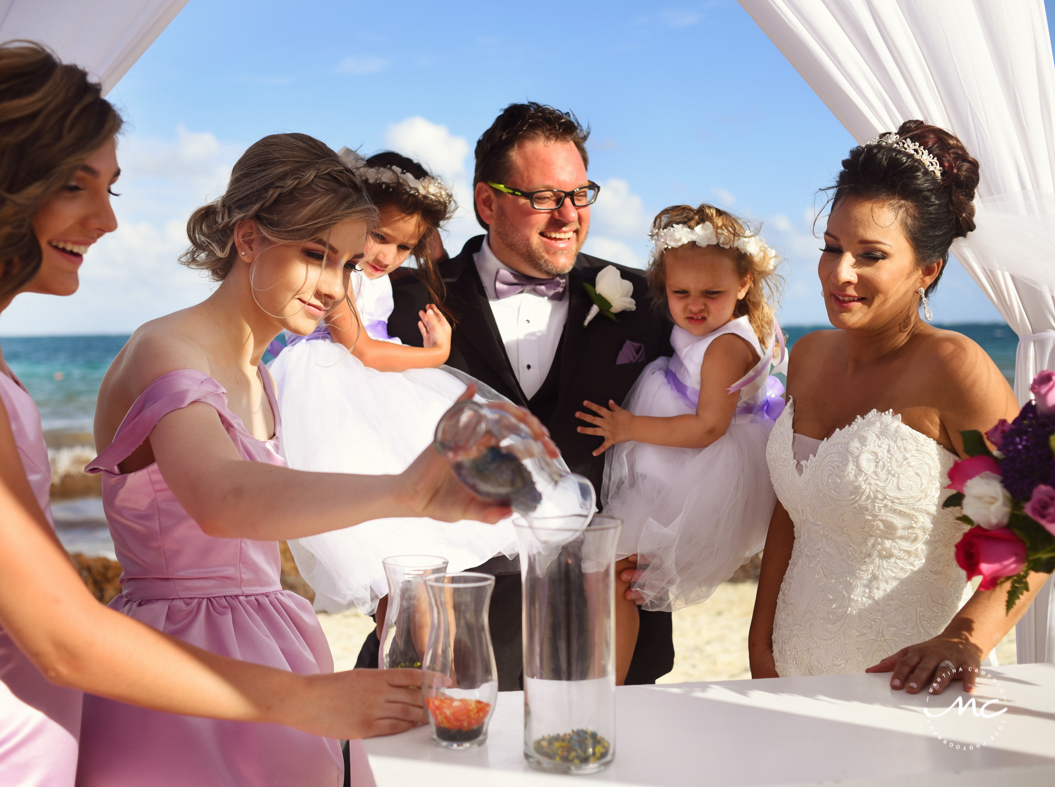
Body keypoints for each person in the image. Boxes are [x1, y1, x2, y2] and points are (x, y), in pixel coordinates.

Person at [0, 45, 505, 787]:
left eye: (111, 190)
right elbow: (68, 631)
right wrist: (309, 696)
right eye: (76, 185)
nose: (105, 220)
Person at [75, 133, 544, 786]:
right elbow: (223, 499)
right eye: (314, 255)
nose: (333, 286)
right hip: (183, 662)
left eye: (348, 263)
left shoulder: (255, 368)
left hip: (279, 640)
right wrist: (405, 491)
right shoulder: (166, 348)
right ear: (248, 240)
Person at [748, 120, 1050, 694]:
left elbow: (1041, 517)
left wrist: (966, 637)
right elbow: (793, 512)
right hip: (788, 668)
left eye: (871, 255)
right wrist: (760, 644)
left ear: (927, 269)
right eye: (832, 248)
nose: (840, 274)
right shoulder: (809, 356)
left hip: (905, 682)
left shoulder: (955, 368)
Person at [388, 102, 676, 688]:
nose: (568, 215)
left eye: (580, 194)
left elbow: (705, 416)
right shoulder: (407, 299)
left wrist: (671, 540)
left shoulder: (652, 303)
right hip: (455, 632)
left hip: (607, 629)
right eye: (544, 197)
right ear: (487, 202)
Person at [269, 148, 516, 616]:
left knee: (415, 547)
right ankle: (403, 661)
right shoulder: (341, 276)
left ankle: (413, 662)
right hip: (333, 391)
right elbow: (360, 348)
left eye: (404, 247)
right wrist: (434, 355)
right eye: (379, 236)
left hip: (373, 393)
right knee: (380, 549)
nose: (388, 255)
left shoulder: (379, 277)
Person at [577, 204, 784, 681]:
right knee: (614, 574)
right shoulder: (710, 330)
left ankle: (607, 685)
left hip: (697, 472)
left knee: (612, 576)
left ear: (744, 285)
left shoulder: (726, 346)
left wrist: (629, 427)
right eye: (680, 292)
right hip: (673, 463)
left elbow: (708, 427)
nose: (695, 305)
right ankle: (606, 678)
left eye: (713, 293)